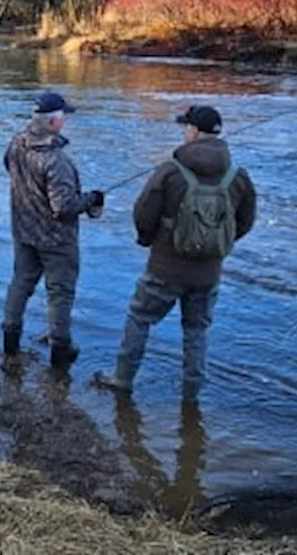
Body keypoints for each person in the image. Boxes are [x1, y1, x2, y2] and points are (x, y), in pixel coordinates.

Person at [95, 105, 256, 400]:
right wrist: (217, 247)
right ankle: (192, 395)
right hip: (209, 272)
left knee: (139, 318)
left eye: (186, 127)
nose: (184, 132)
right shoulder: (238, 176)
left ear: (193, 131)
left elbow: (143, 212)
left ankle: (122, 379)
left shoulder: (170, 171)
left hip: (165, 267)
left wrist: (147, 241)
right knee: (196, 331)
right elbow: (245, 222)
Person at [2, 91, 104, 371]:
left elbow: (8, 167)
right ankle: (61, 352)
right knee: (60, 294)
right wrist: (92, 199)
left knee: (21, 283)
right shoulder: (56, 161)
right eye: (64, 116)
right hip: (56, 240)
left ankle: (10, 345)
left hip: (23, 232)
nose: (66, 120)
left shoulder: (16, 144)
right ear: (54, 122)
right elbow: (64, 207)